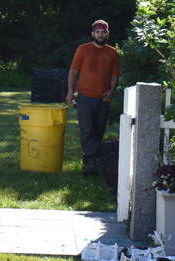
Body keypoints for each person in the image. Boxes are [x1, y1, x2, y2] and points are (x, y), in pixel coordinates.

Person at [66, 19, 121, 176]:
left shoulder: (112, 52)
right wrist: (70, 92)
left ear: (107, 34)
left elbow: (115, 75)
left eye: (103, 32)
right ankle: (90, 163)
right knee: (87, 129)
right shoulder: (83, 49)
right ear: (93, 34)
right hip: (84, 98)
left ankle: (91, 159)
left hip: (102, 99)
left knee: (98, 131)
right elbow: (73, 72)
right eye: (98, 32)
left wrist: (112, 90)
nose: (101, 35)